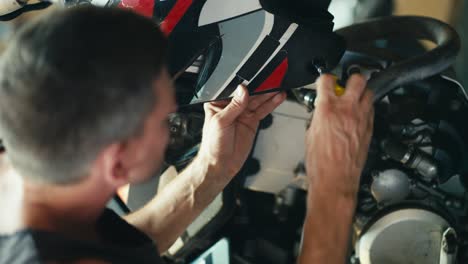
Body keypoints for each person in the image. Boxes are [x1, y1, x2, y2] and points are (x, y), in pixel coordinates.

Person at [0, 6, 373, 264]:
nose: (173, 127)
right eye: (166, 120)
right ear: (118, 163)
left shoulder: (28, 194)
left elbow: (106, 249)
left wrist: (210, 170)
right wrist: (335, 187)